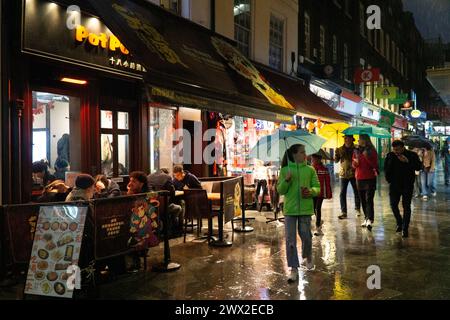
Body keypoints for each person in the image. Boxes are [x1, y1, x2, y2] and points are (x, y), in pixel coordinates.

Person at [277, 144, 320, 282]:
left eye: (305, 152)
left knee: (306, 236)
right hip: (290, 210)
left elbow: (317, 187)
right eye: (302, 152)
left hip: (306, 209)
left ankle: (308, 256)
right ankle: (293, 268)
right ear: (294, 154)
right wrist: (287, 180)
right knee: (290, 240)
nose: (305, 155)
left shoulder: (310, 170)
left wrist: (311, 191)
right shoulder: (285, 170)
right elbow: (280, 190)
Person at [384, 140, 423, 238]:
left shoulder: (412, 155)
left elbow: (419, 167)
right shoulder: (390, 155)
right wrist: (388, 179)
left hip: (407, 185)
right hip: (394, 185)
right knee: (393, 205)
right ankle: (399, 222)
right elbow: (386, 168)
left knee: (406, 206)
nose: (396, 151)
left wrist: (407, 162)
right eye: (394, 149)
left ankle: (405, 228)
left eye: (397, 149)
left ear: (402, 147)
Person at [352, 134, 378, 231]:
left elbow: (374, 164)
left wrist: (366, 156)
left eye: (359, 139)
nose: (358, 141)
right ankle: (366, 218)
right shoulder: (356, 151)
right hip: (359, 177)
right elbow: (353, 164)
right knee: (362, 199)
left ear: (364, 140)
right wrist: (355, 163)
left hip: (370, 177)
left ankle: (370, 219)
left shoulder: (371, 150)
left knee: (369, 199)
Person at [148, 168, 183, 237]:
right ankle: (176, 231)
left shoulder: (148, 177)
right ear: (166, 173)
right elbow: (172, 193)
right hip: (162, 206)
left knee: (168, 210)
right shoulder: (167, 177)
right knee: (179, 207)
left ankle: (166, 229)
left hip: (150, 207)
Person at [335, 135, 361, 220]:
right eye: (345, 138)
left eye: (348, 138)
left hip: (353, 172)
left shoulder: (356, 148)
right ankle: (344, 212)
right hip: (343, 173)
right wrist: (336, 154)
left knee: (356, 191)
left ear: (352, 139)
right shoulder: (340, 149)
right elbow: (336, 160)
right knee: (342, 193)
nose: (346, 139)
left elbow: (359, 159)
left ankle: (357, 209)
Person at [311, 153, 332, 236]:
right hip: (312, 192)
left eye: (314, 159)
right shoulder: (310, 169)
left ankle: (318, 227)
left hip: (320, 193)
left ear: (319, 159)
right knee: (313, 209)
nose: (313, 160)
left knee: (317, 208)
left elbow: (327, 181)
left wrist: (328, 193)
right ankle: (319, 221)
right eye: (312, 159)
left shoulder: (324, 169)